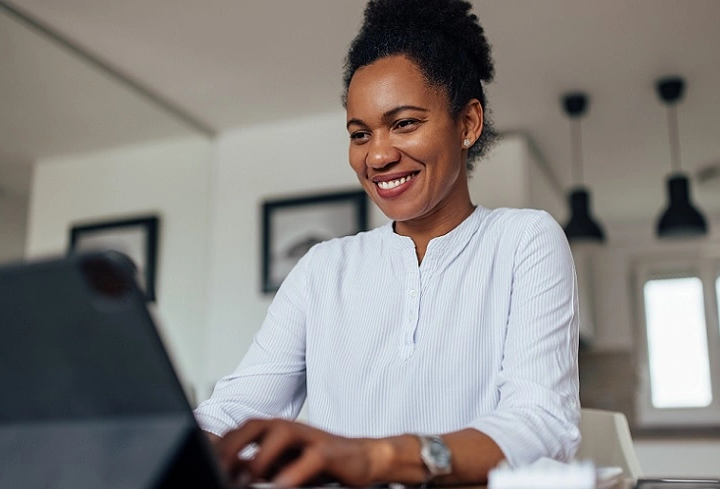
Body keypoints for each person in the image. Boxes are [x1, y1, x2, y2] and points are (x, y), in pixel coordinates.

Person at [194, 0, 581, 486]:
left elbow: (542, 424)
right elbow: (233, 410)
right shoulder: (323, 269)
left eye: (404, 124)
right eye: (360, 134)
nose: (377, 155)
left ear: (468, 124)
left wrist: (378, 458)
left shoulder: (524, 241)